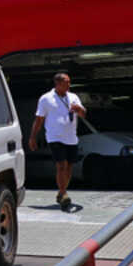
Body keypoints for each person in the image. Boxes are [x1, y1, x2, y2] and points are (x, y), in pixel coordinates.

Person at [29, 72, 87, 210]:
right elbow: (39, 120)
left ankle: (61, 193)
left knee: (69, 167)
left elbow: (84, 114)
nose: (69, 85)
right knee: (61, 165)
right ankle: (63, 193)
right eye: (66, 82)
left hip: (71, 138)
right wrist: (32, 137)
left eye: (69, 82)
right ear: (58, 83)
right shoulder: (46, 99)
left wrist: (79, 109)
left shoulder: (73, 97)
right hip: (55, 137)